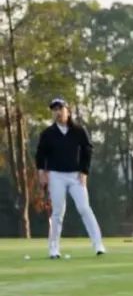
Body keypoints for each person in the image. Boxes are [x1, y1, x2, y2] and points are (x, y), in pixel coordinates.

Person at [34, 98, 106, 258]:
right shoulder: (48, 133)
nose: (58, 112)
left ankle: (98, 245)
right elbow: (40, 154)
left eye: (60, 109)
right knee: (58, 212)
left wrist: (84, 171)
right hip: (56, 175)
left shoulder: (79, 131)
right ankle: (53, 249)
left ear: (68, 111)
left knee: (84, 208)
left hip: (76, 176)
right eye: (55, 110)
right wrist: (41, 173)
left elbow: (87, 150)